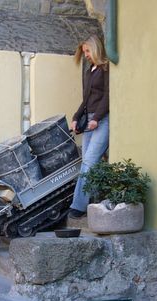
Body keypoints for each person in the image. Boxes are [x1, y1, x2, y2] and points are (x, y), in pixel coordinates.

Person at [69, 35, 110, 218]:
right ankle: (94, 202)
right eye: (84, 52)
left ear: (95, 48)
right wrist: (76, 117)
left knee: (89, 162)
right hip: (89, 120)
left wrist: (98, 118)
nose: (85, 55)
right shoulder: (89, 72)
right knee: (88, 164)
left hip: (102, 120)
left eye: (87, 51)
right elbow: (85, 100)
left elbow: (108, 95)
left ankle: (78, 206)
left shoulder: (106, 68)